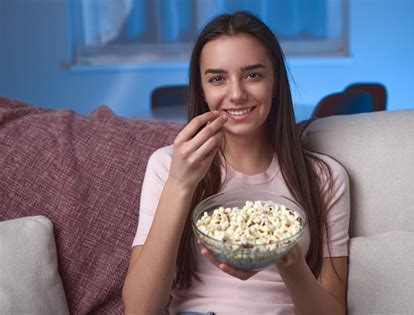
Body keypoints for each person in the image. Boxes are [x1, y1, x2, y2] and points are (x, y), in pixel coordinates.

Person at [122, 11, 350, 315]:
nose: (237, 94)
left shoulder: (325, 177)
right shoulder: (167, 165)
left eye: (253, 75)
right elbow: (140, 309)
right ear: (202, 91)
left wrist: (288, 259)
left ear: (276, 82)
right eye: (218, 79)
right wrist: (181, 184)